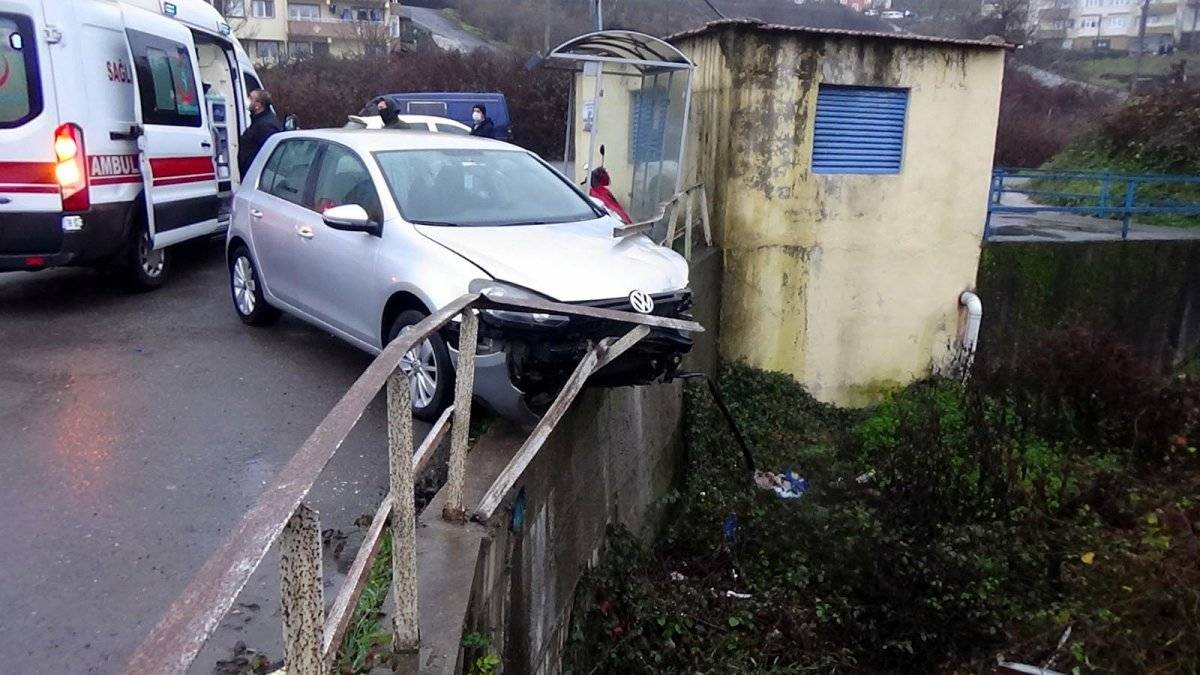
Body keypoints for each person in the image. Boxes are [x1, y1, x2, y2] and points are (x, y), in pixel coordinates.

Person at [237, 89, 283, 178]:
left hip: (255, 175)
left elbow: (265, 154)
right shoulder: (258, 121)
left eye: (250, 98)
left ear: (258, 105)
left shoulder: (266, 125)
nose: (247, 100)